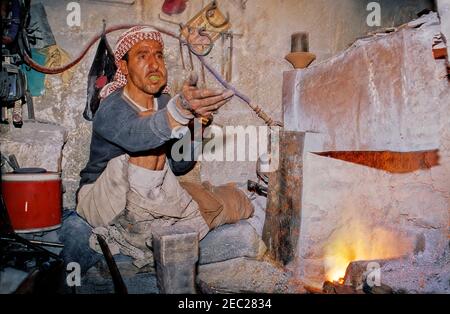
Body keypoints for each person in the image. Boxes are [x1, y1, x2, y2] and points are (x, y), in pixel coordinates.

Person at [76, 26, 254, 267]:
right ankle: (138, 236)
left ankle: (160, 226)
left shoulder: (165, 103)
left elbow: (180, 165)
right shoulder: (111, 106)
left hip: (152, 194)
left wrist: (197, 126)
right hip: (100, 201)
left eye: (159, 55)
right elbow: (139, 136)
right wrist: (177, 113)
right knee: (149, 144)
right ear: (125, 68)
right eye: (142, 55)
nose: (154, 63)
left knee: (228, 202)